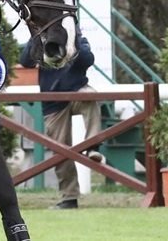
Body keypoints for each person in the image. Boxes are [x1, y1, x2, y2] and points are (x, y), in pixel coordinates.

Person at [18, 32, 105, 210]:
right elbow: (26, 61)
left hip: (76, 91)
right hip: (52, 101)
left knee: (91, 96)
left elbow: (87, 60)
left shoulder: (79, 38)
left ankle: (93, 146)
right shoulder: (41, 38)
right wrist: (37, 37)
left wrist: (75, 40)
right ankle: (69, 198)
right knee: (60, 151)